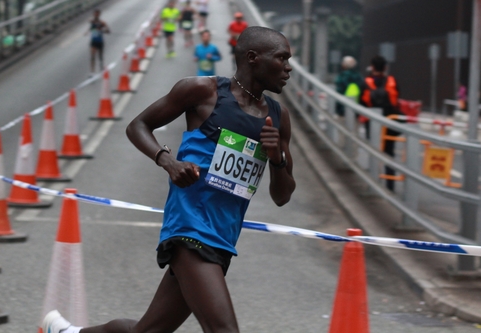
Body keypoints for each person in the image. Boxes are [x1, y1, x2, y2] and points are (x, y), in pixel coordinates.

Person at [42, 26, 296, 333]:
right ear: (253, 57)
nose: (288, 67)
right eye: (282, 58)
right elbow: (138, 126)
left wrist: (276, 158)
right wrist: (168, 162)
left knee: (148, 331)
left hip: (224, 237)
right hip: (190, 229)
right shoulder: (204, 91)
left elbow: (282, 196)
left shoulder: (277, 118)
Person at [361, 55, 400, 191]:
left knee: (374, 152)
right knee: (389, 153)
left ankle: (373, 184)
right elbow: (396, 100)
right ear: (385, 67)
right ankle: (390, 185)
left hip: (372, 123)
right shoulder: (392, 81)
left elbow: (361, 103)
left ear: (372, 67)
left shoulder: (366, 82)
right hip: (389, 122)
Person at [86, 9, 110, 74]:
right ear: (93, 14)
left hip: (100, 41)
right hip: (93, 41)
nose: (96, 15)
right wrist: (87, 32)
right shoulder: (92, 22)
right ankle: (92, 71)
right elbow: (91, 27)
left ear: (99, 15)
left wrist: (102, 30)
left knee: (100, 56)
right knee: (92, 56)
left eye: (97, 14)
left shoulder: (102, 23)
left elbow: (108, 31)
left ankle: (101, 66)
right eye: (95, 14)